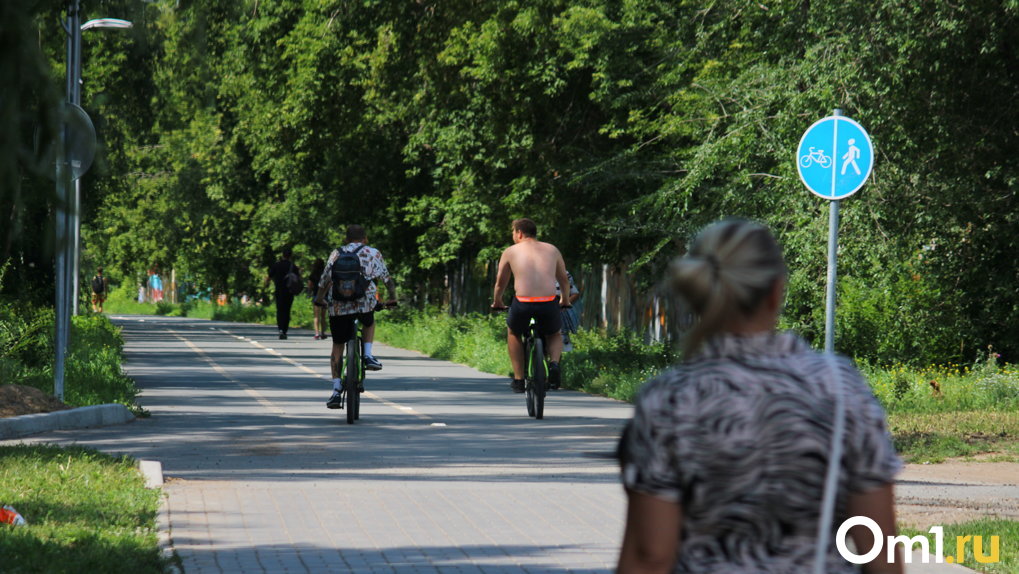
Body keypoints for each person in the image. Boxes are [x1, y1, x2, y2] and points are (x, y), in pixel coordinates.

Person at [617, 218, 903, 574]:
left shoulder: (668, 399)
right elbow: (878, 543)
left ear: (698, 295)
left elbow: (650, 555)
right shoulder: (840, 386)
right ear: (775, 290)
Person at [314, 225, 397, 409]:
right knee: (369, 321)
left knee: (337, 346)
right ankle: (368, 355)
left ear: (346, 239)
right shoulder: (373, 253)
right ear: (365, 238)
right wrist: (392, 298)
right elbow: (387, 279)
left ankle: (336, 390)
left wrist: (320, 299)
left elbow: (324, 279)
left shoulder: (337, 253)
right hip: (364, 303)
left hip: (338, 305)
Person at [490, 218, 572, 393]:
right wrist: (565, 300)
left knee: (513, 332)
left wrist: (498, 301)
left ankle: (519, 379)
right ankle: (555, 364)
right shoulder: (552, 250)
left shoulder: (511, 251)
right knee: (554, 333)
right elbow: (564, 280)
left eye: (513, 232)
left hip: (523, 303)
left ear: (519, 233)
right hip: (548, 302)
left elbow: (500, 283)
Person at [266, 247, 300, 340]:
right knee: (287, 310)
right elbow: (298, 279)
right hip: (289, 292)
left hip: (279, 291)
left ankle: (280, 329)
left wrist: (266, 284)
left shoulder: (277, 265)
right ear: (291, 256)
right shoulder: (293, 267)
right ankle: (285, 330)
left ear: (282, 255)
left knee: (280, 310)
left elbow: (269, 276)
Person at [554, 270, 581, 352]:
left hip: (559, 309)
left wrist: (563, 303)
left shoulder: (563, 273)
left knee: (559, 335)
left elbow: (575, 293)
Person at [307, 258, 328, 340]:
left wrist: (309, 292)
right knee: (323, 316)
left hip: (316, 295)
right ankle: (323, 332)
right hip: (325, 296)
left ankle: (316, 333)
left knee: (316, 316)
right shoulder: (325, 273)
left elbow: (310, 285)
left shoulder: (313, 274)